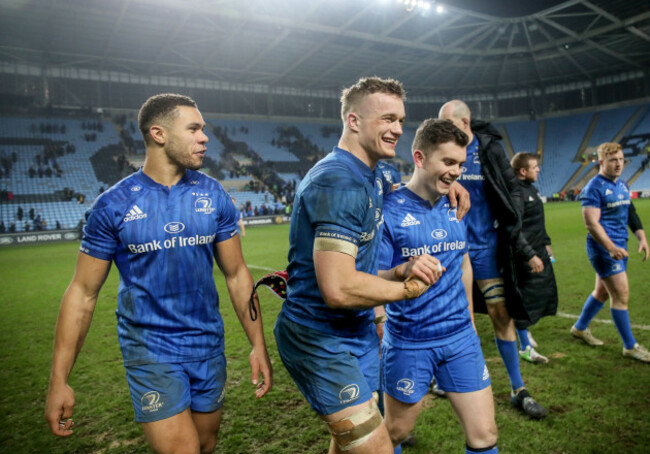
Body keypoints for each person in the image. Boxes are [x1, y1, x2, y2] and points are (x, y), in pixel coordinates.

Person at [44, 93, 273, 454]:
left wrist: (257, 345)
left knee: (205, 444)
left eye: (203, 129)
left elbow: (237, 275)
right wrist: (58, 380)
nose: (204, 137)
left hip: (207, 346)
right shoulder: (113, 205)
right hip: (150, 351)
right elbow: (82, 293)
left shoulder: (214, 195)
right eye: (194, 128)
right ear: (159, 134)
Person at [273, 77, 449, 454]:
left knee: (349, 440)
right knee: (375, 447)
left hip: (355, 331)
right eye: (387, 119)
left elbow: (359, 272)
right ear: (354, 121)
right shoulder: (338, 182)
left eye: (401, 120)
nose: (398, 129)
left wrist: (400, 269)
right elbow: (338, 289)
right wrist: (405, 290)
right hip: (318, 337)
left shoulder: (373, 174)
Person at [378, 119, 498, 454]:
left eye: (460, 164)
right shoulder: (388, 211)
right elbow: (370, 278)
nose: (456, 172)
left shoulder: (458, 203)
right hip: (409, 341)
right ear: (419, 158)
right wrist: (403, 270)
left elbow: (462, 262)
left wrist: (472, 323)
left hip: (460, 337)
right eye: (447, 162)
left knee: (484, 435)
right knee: (396, 432)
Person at [439, 100, 547, 419]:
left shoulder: (488, 148)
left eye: (448, 123)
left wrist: (511, 221)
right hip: (452, 250)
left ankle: (518, 389)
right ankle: (456, 383)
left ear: (465, 123)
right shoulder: (440, 151)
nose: (443, 130)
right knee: (456, 320)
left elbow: (512, 188)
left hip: (485, 247)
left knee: (502, 314)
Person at [571, 142, 649, 362]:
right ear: (601, 162)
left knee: (602, 292)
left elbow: (631, 212)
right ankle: (630, 346)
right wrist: (610, 247)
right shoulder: (593, 188)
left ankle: (579, 328)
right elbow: (591, 224)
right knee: (621, 295)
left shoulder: (622, 184)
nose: (619, 164)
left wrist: (641, 237)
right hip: (604, 250)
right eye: (613, 160)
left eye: (621, 159)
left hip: (619, 248)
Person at [510, 152, 558, 364]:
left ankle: (523, 333)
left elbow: (538, 222)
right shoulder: (517, 193)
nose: (538, 169)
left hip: (538, 250)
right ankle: (524, 346)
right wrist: (529, 255)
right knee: (524, 300)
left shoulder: (531, 189)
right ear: (523, 171)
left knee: (539, 294)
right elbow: (513, 228)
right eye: (535, 166)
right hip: (524, 255)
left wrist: (546, 244)